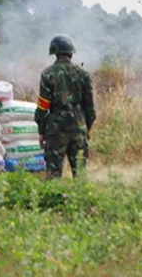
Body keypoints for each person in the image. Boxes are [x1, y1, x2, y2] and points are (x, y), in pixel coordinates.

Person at [35, 34, 96, 179]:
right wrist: (88, 127)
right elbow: (90, 106)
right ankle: (80, 195)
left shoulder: (47, 74)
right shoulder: (83, 74)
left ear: (54, 52)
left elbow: (43, 107)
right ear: (71, 52)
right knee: (80, 174)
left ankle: (55, 194)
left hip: (55, 131)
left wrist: (41, 130)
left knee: (53, 175)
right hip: (78, 129)